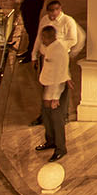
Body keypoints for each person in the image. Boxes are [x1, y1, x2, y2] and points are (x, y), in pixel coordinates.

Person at [34, 1, 85, 121]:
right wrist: (34, 54)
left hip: (61, 56)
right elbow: (38, 37)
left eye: (54, 11)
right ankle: (46, 115)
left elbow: (73, 40)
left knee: (62, 83)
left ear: (59, 9)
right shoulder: (45, 20)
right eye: (49, 12)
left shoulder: (68, 21)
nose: (51, 15)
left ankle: (63, 114)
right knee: (47, 84)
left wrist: (57, 46)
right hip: (46, 57)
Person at [35, 25, 70, 161]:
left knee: (56, 119)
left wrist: (55, 97)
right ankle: (50, 141)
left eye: (43, 37)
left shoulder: (59, 51)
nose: (41, 39)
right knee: (47, 116)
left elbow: (60, 76)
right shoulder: (50, 48)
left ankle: (60, 148)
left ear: (50, 37)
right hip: (49, 86)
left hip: (57, 89)